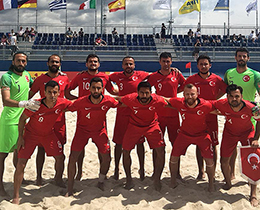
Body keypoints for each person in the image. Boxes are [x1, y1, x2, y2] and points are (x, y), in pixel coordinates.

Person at [12, 80, 72, 205]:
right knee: (21, 162)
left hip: (48, 135)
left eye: (55, 92)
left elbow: (76, 105)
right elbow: (22, 119)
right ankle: (16, 195)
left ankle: (58, 180)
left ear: (59, 93)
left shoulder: (62, 103)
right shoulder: (35, 104)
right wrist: (20, 137)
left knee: (60, 157)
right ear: (44, 93)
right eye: (49, 92)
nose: (52, 95)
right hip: (30, 134)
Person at [67, 54, 118, 180]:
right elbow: (67, 92)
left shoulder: (104, 77)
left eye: (95, 62)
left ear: (99, 64)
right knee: (80, 147)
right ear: (86, 64)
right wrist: (78, 102)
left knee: (102, 148)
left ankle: (102, 174)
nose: (93, 63)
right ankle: (79, 172)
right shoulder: (80, 76)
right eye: (90, 61)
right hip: (82, 116)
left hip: (99, 116)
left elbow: (113, 92)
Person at [66, 77, 119, 196]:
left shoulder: (108, 100)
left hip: (99, 131)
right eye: (93, 88)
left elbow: (122, 102)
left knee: (107, 157)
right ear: (89, 88)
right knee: (73, 157)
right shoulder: (81, 101)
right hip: (82, 131)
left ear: (102, 89)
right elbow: (66, 108)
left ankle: (100, 180)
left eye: (98, 88)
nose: (96, 90)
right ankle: (70, 187)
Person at [29, 54, 75, 186]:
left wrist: (81, 100)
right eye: (52, 61)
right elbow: (30, 96)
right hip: (42, 120)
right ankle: (38, 177)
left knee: (60, 151)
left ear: (60, 64)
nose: (55, 64)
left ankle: (58, 178)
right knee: (41, 149)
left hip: (59, 120)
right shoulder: (40, 79)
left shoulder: (64, 78)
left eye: (57, 62)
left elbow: (67, 96)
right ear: (48, 63)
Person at [212, 84, 260, 207]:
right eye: (231, 96)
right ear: (227, 97)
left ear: (241, 96)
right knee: (224, 161)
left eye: (237, 96)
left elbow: (259, 121)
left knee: (253, 161)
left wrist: (255, 139)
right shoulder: (222, 104)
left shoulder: (251, 107)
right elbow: (206, 105)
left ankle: (253, 193)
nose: (234, 99)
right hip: (229, 133)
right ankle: (228, 183)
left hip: (247, 133)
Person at [0, 52, 40, 197]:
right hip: (9, 121)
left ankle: (19, 178)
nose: (21, 63)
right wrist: (23, 103)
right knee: (2, 155)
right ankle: (0, 186)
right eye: (18, 61)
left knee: (19, 151)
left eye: (23, 61)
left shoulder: (27, 76)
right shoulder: (7, 77)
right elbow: (5, 100)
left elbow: (35, 87)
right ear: (13, 61)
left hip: (23, 119)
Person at [118, 81, 167, 191]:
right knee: (125, 150)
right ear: (137, 93)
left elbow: (170, 101)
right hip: (134, 126)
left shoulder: (157, 99)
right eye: (141, 93)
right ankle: (129, 179)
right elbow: (118, 99)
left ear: (151, 93)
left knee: (161, 150)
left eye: (146, 93)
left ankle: (157, 178)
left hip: (152, 125)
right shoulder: (130, 98)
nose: (144, 95)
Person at [166, 84, 215, 192]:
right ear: (183, 95)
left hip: (202, 135)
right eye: (187, 94)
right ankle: (173, 180)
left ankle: (211, 183)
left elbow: (221, 107)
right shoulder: (179, 102)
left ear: (197, 94)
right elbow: (166, 100)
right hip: (184, 134)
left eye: (192, 94)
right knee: (173, 157)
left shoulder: (205, 105)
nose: (190, 96)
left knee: (209, 160)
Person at [185, 55, 227, 180]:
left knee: (213, 144)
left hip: (212, 115)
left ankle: (212, 172)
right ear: (197, 66)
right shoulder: (192, 79)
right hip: (197, 116)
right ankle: (201, 171)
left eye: (205, 64)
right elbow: (185, 93)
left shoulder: (216, 79)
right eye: (201, 64)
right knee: (199, 143)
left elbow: (224, 90)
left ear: (210, 65)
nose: (203, 66)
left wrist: (214, 99)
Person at [109, 56, 149, 180]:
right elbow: (105, 79)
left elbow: (157, 77)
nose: (128, 66)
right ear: (122, 66)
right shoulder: (116, 76)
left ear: (134, 65)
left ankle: (142, 170)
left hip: (137, 114)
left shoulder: (141, 75)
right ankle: (116, 169)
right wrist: (114, 91)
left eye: (130, 64)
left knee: (140, 143)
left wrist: (173, 69)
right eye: (126, 64)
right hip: (121, 113)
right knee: (118, 143)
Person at [147, 52, 185, 179]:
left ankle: (176, 172)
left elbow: (184, 87)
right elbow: (145, 89)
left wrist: (174, 94)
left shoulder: (176, 74)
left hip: (174, 114)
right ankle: (155, 172)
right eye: (164, 61)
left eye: (168, 61)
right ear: (160, 62)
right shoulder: (153, 76)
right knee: (157, 145)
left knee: (176, 144)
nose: (166, 64)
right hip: (159, 115)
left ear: (171, 62)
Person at [224, 47, 260, 180]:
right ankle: (232, 173)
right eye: (239, 56)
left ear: (248, 58)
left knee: (249, 147)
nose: (242, 58)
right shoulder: (229, 73)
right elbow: (223, 90)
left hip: (249, 114)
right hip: (233, 114)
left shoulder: (255, 75)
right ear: (235, 58)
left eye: (244, 56)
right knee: (232, 146)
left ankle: (249, 175)